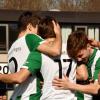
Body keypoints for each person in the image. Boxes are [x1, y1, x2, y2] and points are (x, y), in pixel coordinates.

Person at [0, 12, 61, 100]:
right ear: (30, 27)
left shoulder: (11, 49)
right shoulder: (30, 38)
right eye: (38, 29)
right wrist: (58, 33)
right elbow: (55, 51)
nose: (40, 33)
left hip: (16, 96)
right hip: (31, 96)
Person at [52, 31, 100, 100]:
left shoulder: (98, 59)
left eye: (80, 55)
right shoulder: (80, 58)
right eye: (75, 57)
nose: (79, 60)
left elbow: (96, 89)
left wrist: (70, 85)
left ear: (88, 46)